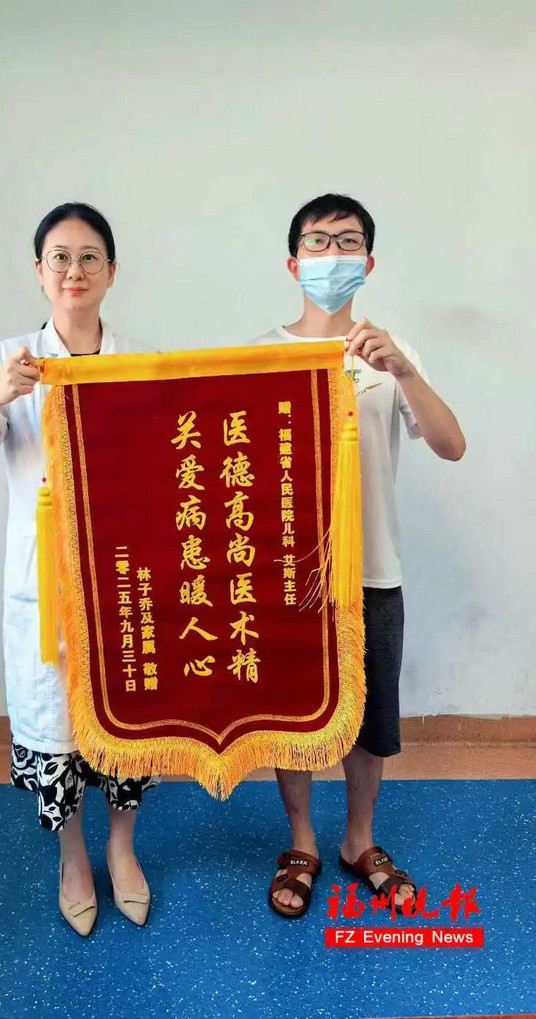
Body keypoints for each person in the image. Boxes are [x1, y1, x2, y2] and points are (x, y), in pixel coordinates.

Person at [247, 193, 466, 919]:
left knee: (372, 716)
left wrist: (404, 370)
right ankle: (303, 841)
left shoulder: (386, 354)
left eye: (347, 242)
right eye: (317, 242)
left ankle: (358, 839)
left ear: (368, 263)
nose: (332, 254)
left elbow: (451, 444)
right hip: (289, 575)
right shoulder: (259, 355)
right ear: (293, 263)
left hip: (373, 565)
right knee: (296, 715)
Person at [0, 203, 157, 936]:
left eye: (89, 256)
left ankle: (122, 848)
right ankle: (72, 858)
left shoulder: (140, 360)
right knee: (56, 722)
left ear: (111, 272)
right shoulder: (11, 360)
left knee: (129, 720)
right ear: (40, 271)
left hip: (125, 579)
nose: (75, 270)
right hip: (46, 586)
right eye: (60, 257)